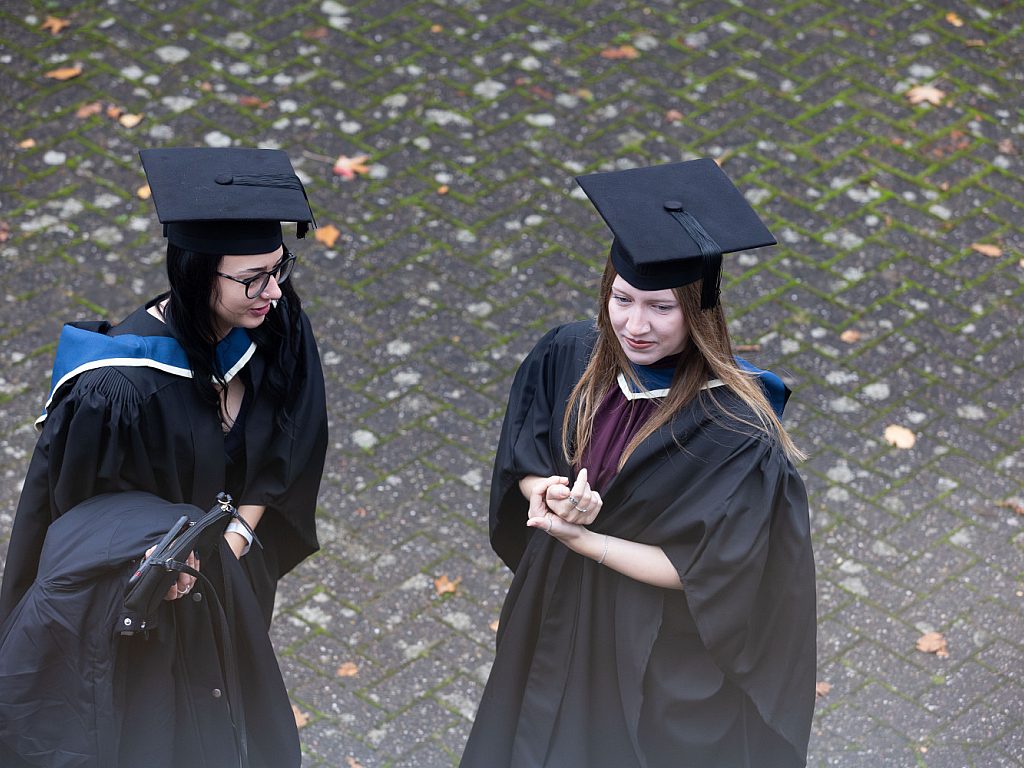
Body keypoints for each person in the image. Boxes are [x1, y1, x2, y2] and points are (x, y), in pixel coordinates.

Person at [460, 159, 817, 768]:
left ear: (698, 313)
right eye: (623, 299)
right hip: (554, 611)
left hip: (653, 650)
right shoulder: (570, 353)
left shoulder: (736, 430)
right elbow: (525, 451)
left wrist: (582, 537)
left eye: (660, 308)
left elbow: (704, 569)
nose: (635, 325)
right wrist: (544, 492)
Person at [0, 147, 329, 768]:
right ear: (200, 273)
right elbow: (83, 518)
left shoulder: (276, 325)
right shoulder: (114, 391)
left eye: (280, 268)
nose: (275, 291)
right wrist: (161, 565)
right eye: (253, 278)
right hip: (150, 598)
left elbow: (294, 434)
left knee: (235, 707)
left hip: (233, 559)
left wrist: (235, 534)